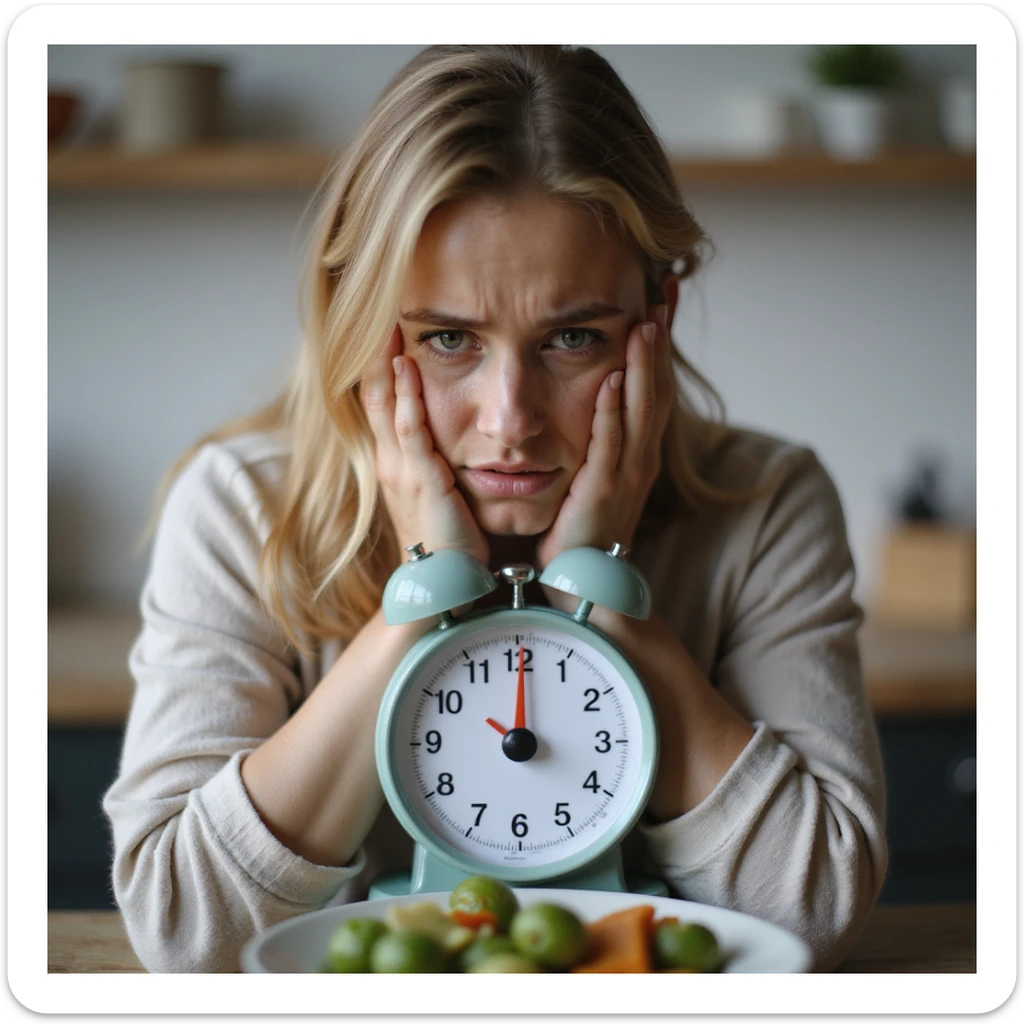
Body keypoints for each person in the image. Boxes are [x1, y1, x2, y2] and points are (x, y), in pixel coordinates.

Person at [102, 44, 887, 973]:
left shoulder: (765, 509)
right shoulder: (242, 508)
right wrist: (428, 593)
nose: (509, 420)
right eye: (446, 339)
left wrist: (597, 587)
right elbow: (185, 931)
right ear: (354, 319)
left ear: (656, 321)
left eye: (572, 338)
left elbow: (816, 909)